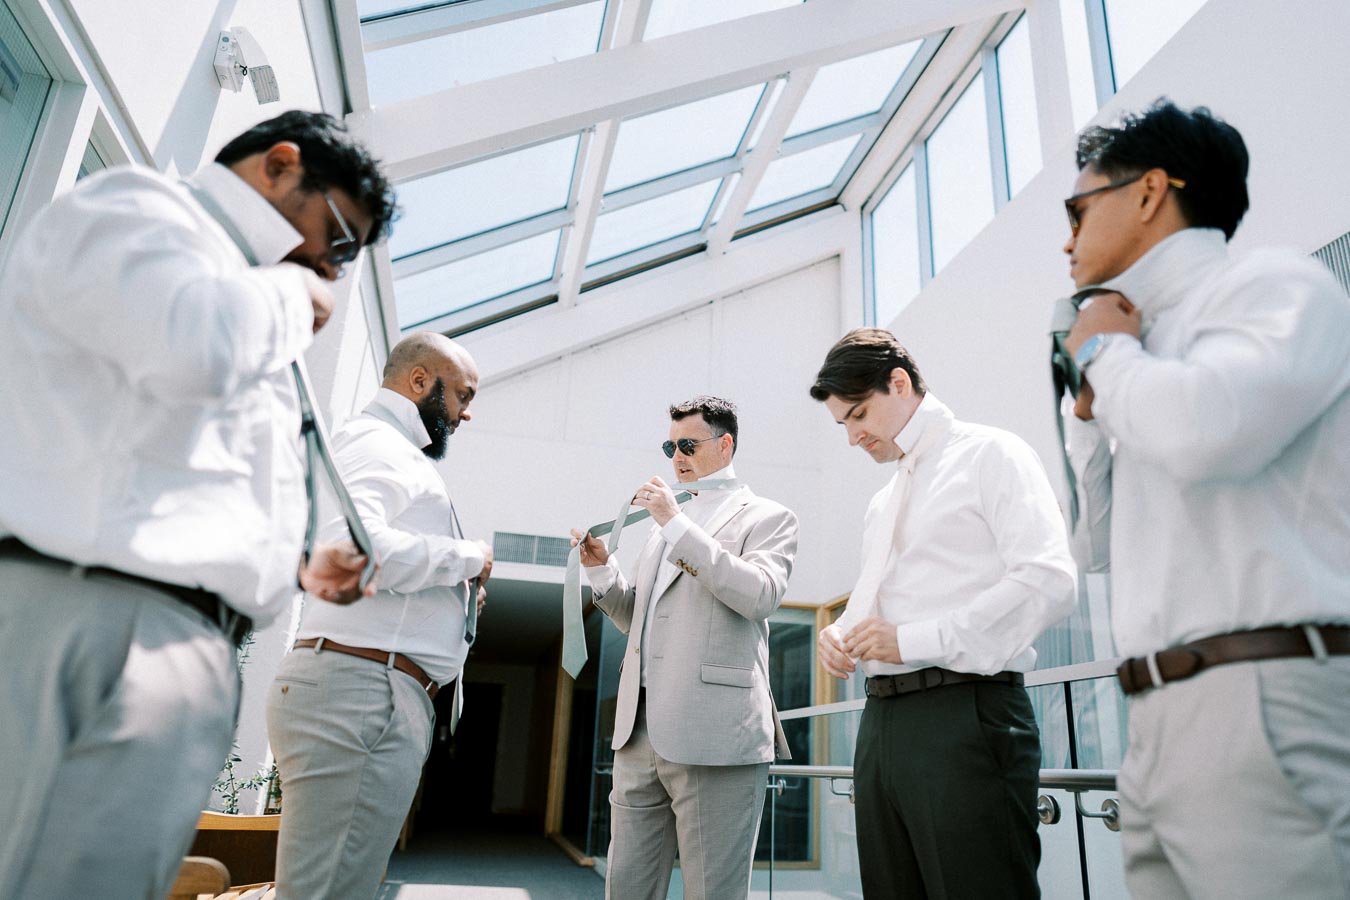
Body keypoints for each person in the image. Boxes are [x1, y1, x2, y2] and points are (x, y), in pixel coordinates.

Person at [0, 109, 396, 899]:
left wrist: (295, 564)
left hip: (166, 632)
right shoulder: (138, 209)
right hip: (100, 620)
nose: (329, 266)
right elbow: (188, 345)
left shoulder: (232, 287)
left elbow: (168, 462)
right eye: (339, 239)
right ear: (281, 165)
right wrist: (290, 294)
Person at [1060, 99, 1350, 898]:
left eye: (1077, 208)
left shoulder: (1273, 285)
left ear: (1150, 190)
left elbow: (1207, 431)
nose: (1066, 237)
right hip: (1153, 721)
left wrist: (1109, 356)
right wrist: (1090, 411)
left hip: (1259, 697)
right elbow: (1100, 552)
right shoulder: (1133, 355)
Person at [811, 329, 1076, 899]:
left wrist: (911, 640)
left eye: (858, 414)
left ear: (899, 383)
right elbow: (875, 602)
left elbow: (1048, 580)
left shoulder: (992, 453)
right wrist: (838, 632)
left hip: (967, 714)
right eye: (843, 425)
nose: (853, 437)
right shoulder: (882, 501)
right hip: (880, 726)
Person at [266, 332, 492, 899]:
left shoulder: (385, 450)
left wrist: (457, 595)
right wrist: (470, 558)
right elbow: (357, 553)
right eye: (462, 396)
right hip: (364, 694)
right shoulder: (378, 445)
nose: (468, 413)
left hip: (366, 691)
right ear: (420, 382)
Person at [570, 396, 798, 900]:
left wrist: (674, 524)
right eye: (669, 445)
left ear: (725, 444)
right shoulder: (666, 526)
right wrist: (602, 570)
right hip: (637, 733)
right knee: (626, 887)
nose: (676, 456)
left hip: (715, 734)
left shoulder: (767, 516)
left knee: (712, 892)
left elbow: (759, 595)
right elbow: (642, 621)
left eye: (688, 444)